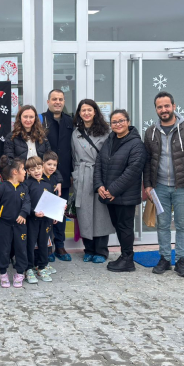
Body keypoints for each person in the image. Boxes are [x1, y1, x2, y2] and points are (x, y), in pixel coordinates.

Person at [143, 91, 184, 278]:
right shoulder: (151, 132)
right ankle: (164, 258)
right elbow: (147, 160)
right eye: (160, 107)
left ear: (174, 106)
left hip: (183, 187)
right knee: (162, 224)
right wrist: (148, 185)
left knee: (182, 225)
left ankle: (180, 260)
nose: (164, 110)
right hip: (159, 186)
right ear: (156, 109)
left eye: (166, 106)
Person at [93, 109, 147, 273]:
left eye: (121, 121)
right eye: (114, 122)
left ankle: (128, 259)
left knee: (125, 227)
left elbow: (133, 171)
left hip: (125, 196)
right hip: (110, 195)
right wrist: (99, 185)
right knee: (119, 226)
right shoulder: (110, 140)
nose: (118, 124)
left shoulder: (136, 144)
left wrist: (112, 190)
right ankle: (124, 256)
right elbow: (99, 163)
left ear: (128, 122)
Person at [71, 99, 115, 263]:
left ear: (95, 111)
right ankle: (88, 249)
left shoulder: (105, 131)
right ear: (79, 113)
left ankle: (101, 251)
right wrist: (75, 175)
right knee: (84, 213)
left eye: (89, 110)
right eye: (83, 110)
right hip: (82, 175)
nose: (86, 113)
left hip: (100, 174)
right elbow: (73, 156)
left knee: (101, 214)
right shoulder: (76, 133)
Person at [0, 156, 31, 288]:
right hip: (4, 224)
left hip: (20, 225)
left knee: (21, 249)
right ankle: (3, 273)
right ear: (15, 172)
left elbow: (27, 202)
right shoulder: (3, 187)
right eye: (23, 169)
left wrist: (23, 213)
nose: (25, 172)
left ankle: (20, 273)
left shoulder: (24, 187)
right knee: (4, 249)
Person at [40, 89, 74, 260]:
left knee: (60, 212)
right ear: (48, 102)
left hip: (65, 174)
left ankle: (60, 246)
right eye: (54, 99)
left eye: (60, 99)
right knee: (45, 212)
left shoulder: (70, 121)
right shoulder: (41, 120)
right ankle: (47, 248)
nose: (57, 102)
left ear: (64, 102)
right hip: (45, 175)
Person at [24, 156, 56, 282]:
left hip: (46, 220)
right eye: (32, 169)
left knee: (43, 243)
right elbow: (24, 203)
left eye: (38, 168)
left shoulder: (47, 184)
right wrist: (33, 213)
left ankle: (42, 267)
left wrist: (55, 214)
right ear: (28, 171)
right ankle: (28, 268)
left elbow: (52, 202)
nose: (36, 171)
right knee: (30, 244)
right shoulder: (26, 185)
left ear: (42, 168)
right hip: (32, 220)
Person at [42, 151, 64, 262]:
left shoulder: (55, 178)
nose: (52, 167)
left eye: (54, 165)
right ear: (43, 164)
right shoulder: (39, 177)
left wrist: (56, 213)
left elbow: (56, 197)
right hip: (41, 212)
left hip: (51, 213)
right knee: (42, 234)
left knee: (50, 233)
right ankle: (43, 253)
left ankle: (49, 252)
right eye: (49, 164)